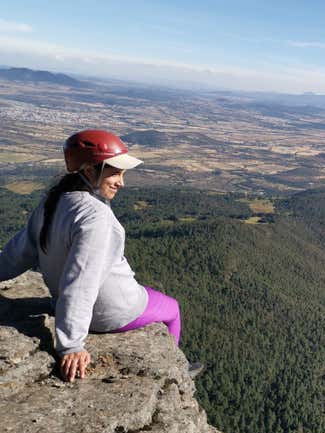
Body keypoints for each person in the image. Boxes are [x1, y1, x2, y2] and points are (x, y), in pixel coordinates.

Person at [0, 129, 201, 382]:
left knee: (149, 290)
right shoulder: (96, 217)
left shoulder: (53, 202)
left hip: (66, 303)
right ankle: (176, 372)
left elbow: (19, 253)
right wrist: (71, 345)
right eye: (115, 172)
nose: (121, 182)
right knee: (172, 309)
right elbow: (81, 282)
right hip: (110, 313)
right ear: (89, 170)